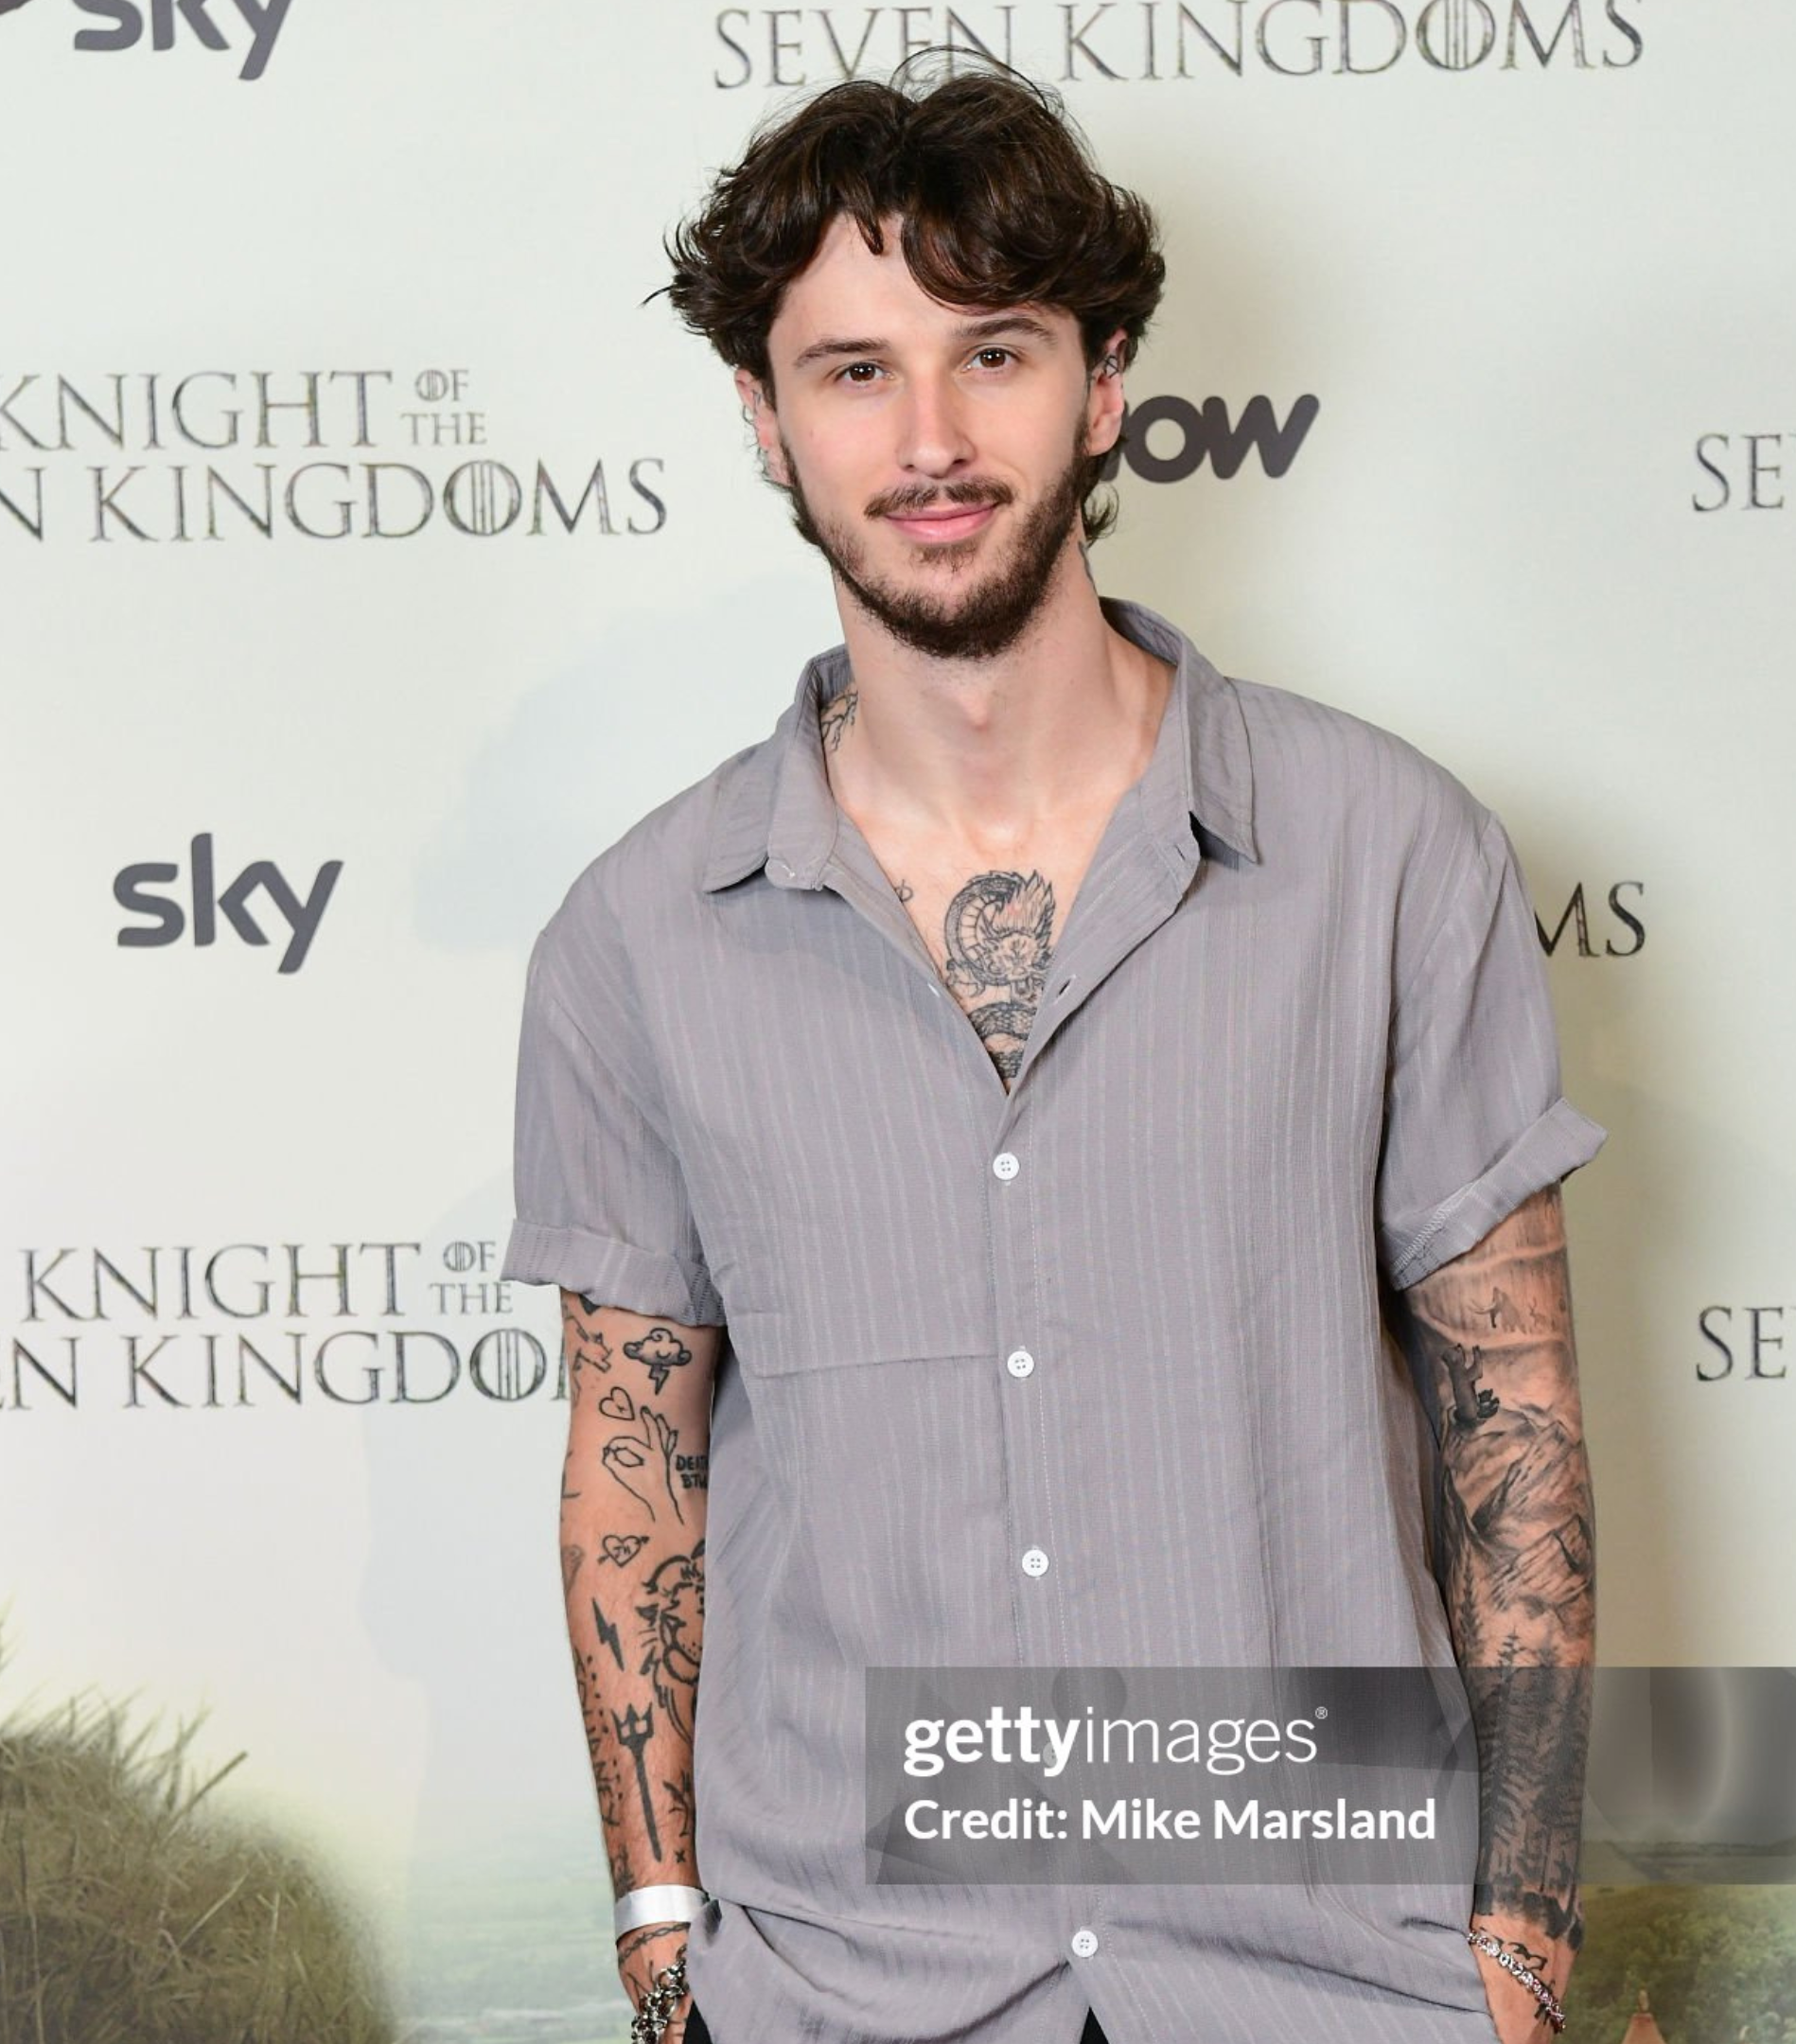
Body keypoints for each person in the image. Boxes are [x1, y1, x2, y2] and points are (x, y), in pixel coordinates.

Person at [505, 57, 1605, 2044]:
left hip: (1334, 1976)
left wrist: (1521, 1932)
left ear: (1102, 387)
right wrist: (666, 1941)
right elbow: (630, 1474)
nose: (929, 438)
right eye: (852, 372)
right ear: (762, 421)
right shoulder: (633, 942)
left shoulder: (1391, 855)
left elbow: (1510, 1420)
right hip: (846, 1983)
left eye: (990, 353)